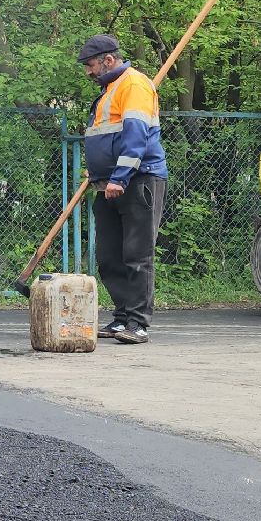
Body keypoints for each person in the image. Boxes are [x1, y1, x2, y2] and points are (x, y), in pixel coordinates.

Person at [78, 34, 167, 344]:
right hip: (108, 183)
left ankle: (138, 323)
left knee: (137, 254)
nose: (88, 72)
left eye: (90, 65)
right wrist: (100, 171)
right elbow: (109, 136)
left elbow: (135, 137)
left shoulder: (134, 85)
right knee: (109, 256)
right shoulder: (110, 90)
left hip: (138, 180)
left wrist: (120, 177)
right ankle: (122, 317)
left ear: (108, 60)